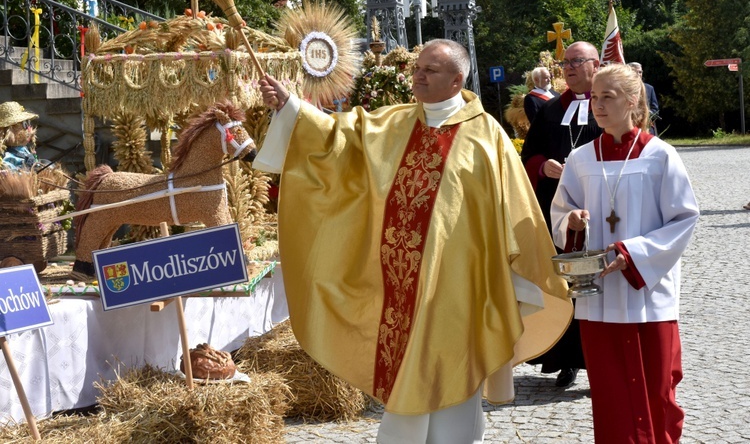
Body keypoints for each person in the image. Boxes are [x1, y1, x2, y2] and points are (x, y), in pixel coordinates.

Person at [254, 39, 573, 443]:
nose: (418, 75)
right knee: (407, 369)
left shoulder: (486, 134)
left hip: (461, 283)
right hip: (398, 285)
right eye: (417, 68)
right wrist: (290, 107)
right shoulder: (394, 123)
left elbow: (512, 207)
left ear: (457, 80)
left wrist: (514, 274)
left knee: (455, 366)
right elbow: (337, 138)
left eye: (430, 70)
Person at [550, 63, 699, 443]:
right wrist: (573, 223)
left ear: (632, 101)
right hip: (598, 296)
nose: (597, 105)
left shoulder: (660, 156)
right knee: (611, 394)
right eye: (595, 98)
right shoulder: (581, 158)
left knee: (658, 388)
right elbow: (559, 212)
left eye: (607, 97)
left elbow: (683, 218)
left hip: (647, 292)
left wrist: (633, 253)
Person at [520, 41, 603, 388]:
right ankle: (566, 360)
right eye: (564, 62)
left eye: (575, 61)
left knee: (598, 283)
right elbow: (527, 157)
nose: (567, 68)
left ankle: (601, 361)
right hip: (557, 212)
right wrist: (544, 167)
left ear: (595, 65)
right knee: (563, 283)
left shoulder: (608, 106)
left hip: (600, 210)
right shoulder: (552, 111)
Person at [0, 101, 44, 170]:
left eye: (28, 123)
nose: (29, 128)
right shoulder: (7, 157)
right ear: (8, 130)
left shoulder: (24, 149)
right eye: (24, 124)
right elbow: (9, 175)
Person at [627, 62, 660, 134]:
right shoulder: (624, 89)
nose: (638, 74)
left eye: (640, 72)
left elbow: (655, 110)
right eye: (635, 72)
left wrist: (646, 114)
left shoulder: (649, 88)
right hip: (629, 128)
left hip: (647, 129)